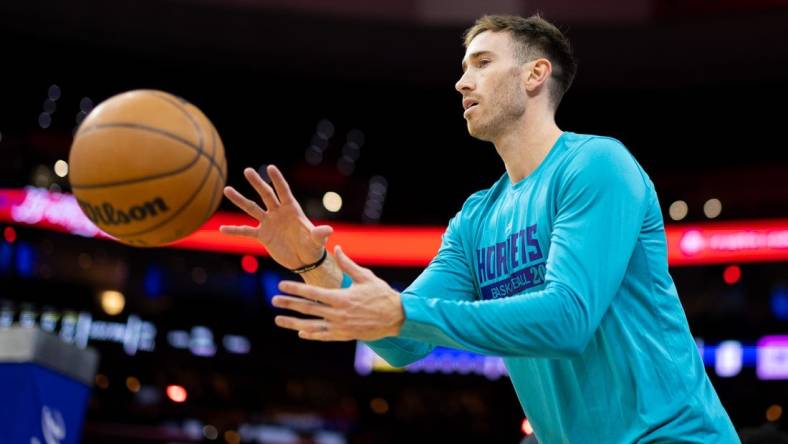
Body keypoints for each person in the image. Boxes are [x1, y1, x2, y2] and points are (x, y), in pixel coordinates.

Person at [221, 14, 739, 443]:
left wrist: (405, 310)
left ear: (535, 74)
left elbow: (568, 320)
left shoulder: (596, 165)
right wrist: (313, 262)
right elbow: (401, 343)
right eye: (463, 68)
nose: (461, 81)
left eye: (481, 64)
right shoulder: (476, 217)